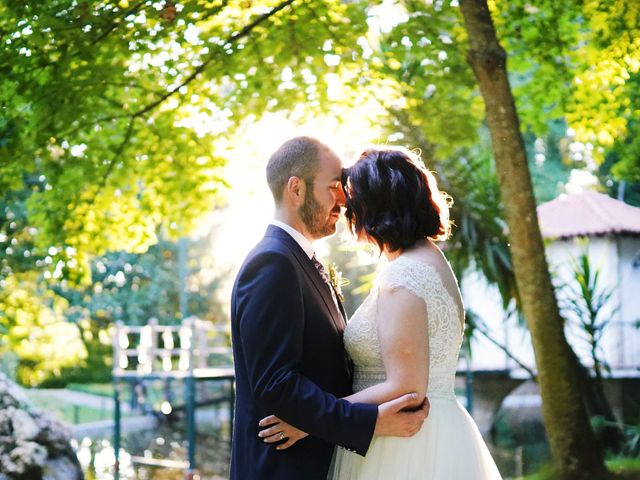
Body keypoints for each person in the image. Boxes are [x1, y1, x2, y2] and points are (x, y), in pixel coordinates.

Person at [260, 147, 503, 479]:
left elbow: (405, 385)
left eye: (351, 200)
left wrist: (312, 424)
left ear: (375, 205)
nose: (344, 208)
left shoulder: (404, 276)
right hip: (430, 431)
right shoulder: (429, 259)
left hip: (403, 446)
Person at [229, 138, 429, 480]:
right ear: (296, 189)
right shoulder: (272, 263)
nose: (344, 199)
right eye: (334, 187)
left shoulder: (301, 261)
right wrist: (371, 421)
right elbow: (276, 384)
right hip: (280, 469)